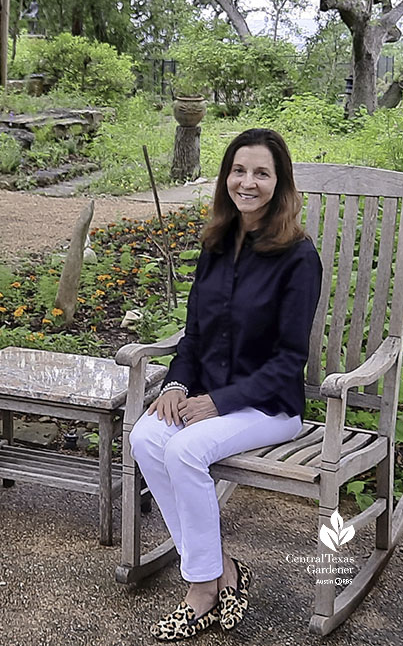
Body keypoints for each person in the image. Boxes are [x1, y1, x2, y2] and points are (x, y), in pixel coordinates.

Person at [131, 128, 322, 641]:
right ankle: (224, 571)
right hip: (211, 400)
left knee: (186, 450)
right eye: (239, 170)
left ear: (279, 183)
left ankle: (201, 590)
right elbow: (193, 335)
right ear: (226, 178)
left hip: (268, 407)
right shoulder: (217, 244)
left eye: (261, 172)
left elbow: (290, 361)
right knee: (146, 436)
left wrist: (218, 401)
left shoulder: (299, 258)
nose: (248, 182)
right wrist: (175, 384)